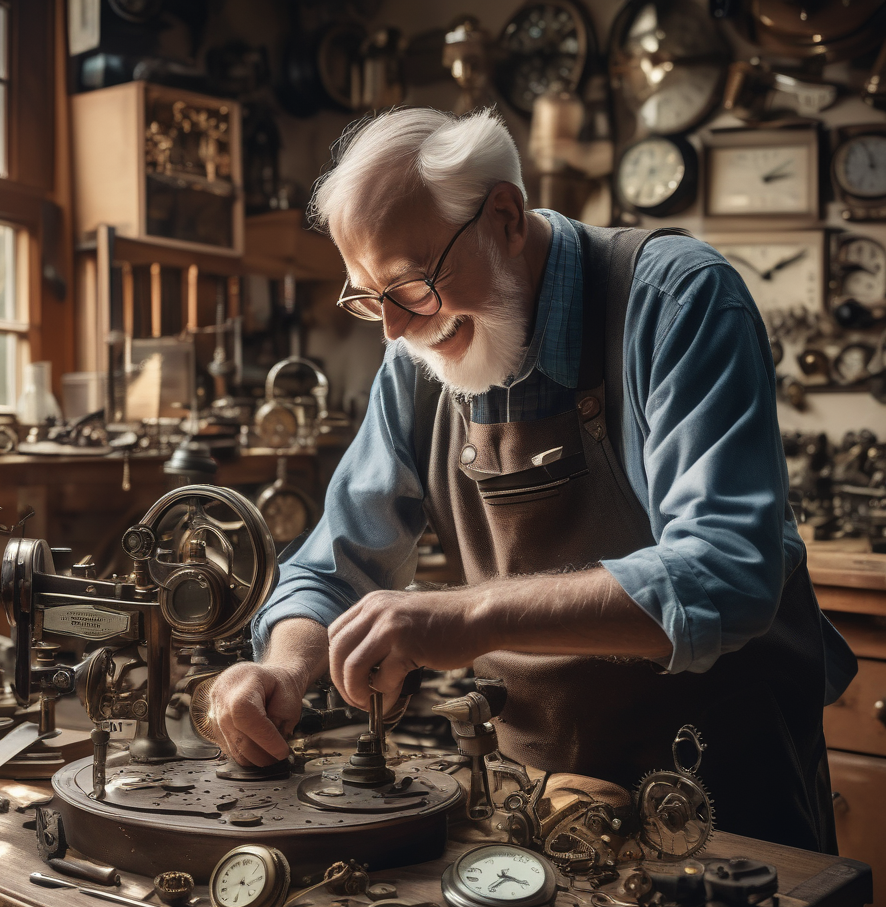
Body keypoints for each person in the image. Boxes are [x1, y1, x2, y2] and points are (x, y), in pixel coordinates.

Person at [208, 106, 854, 851]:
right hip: (544, 799)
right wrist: (284, 668)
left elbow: (726, 573)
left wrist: (470, 616)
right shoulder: (417, 354)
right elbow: (335, 564)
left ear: (506, 218)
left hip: (721, 792)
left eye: (411, 283)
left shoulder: (677, 300)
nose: (394, 327)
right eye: (366, 297)